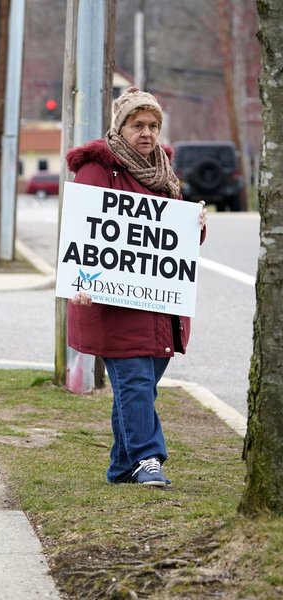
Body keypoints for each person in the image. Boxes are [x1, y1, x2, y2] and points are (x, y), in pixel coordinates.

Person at [65, 86, 207, 487]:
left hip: (158, 305)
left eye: (153, 125)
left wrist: (196, 224)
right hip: (111, 305)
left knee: (138, 388)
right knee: (135, 384)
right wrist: (80, 281)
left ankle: (120, 466)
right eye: (137, 124)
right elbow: (83, 232)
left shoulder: (165, 172)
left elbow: (177, 241)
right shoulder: (98, 170)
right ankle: (148, 459)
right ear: (120, 127)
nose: (147, 133)